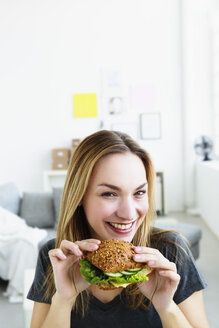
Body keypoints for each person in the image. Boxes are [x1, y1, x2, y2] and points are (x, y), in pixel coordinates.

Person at [27, 130, 209, 328]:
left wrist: (166, 307)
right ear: (79, 195)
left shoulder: (171, 251)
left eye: (139, 192)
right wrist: (62, 301)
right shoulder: (55, 257)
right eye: (109, 194)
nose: (129, 213)